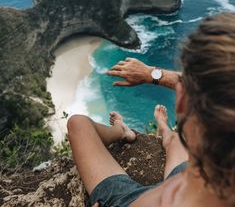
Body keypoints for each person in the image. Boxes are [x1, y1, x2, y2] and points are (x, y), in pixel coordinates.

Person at [67, 13, 235, 207]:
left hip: (127, 201)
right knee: (173, 141)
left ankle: (123, 130)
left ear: (181, 101)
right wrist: (151, 75)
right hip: (189, 179)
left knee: (78, 123)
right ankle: (164, 129)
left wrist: (154, 75)